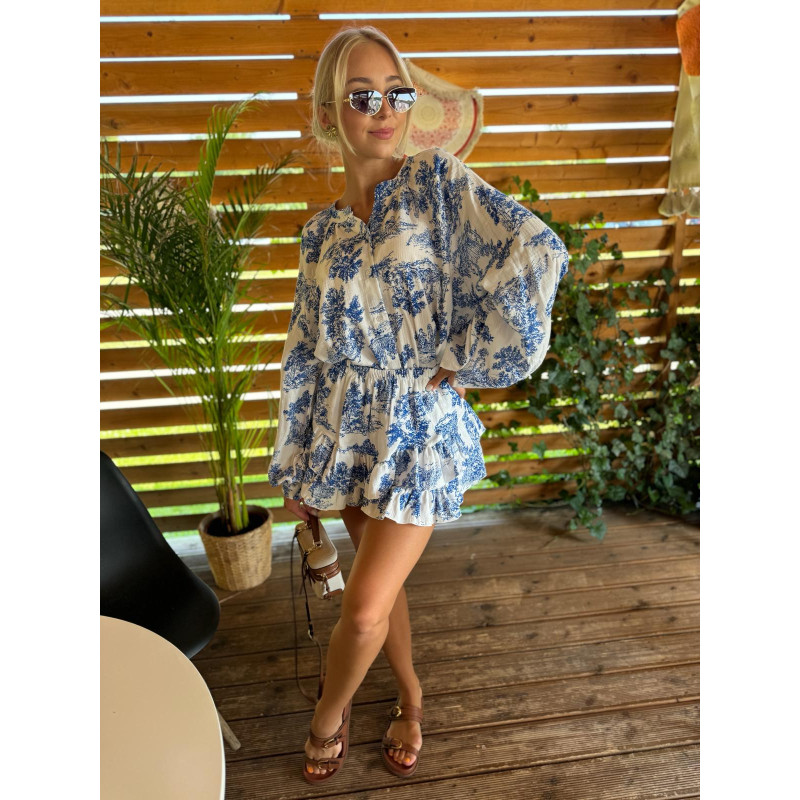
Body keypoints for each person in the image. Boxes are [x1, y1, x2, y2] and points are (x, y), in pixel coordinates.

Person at [266, 25, 570, 784]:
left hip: (417, 430)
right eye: (361, 96)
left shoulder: (436, 181)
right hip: (347, 433)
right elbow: (304, 350)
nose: (383, 110)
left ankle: (326, 718)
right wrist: (295, 464)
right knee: (383, 588)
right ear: (329, 113)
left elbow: (536, 250)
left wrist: (463, 354)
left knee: (364, 605)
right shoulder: (320, 234)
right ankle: (410, 696)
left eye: (396, 93)